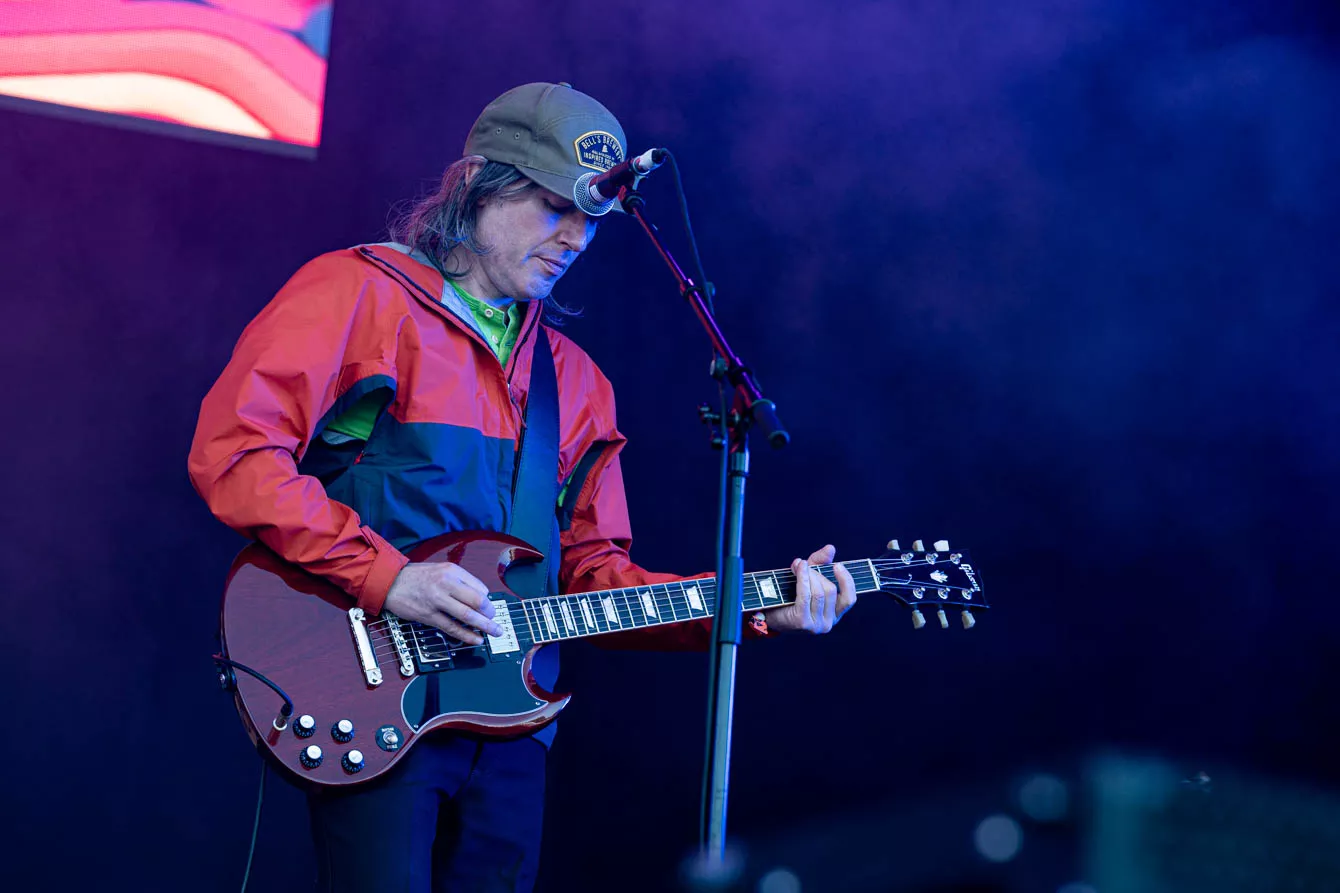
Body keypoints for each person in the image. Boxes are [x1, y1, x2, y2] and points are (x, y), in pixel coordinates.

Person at [188, 82, 856, 892]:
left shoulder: (578, 383)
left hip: (512, 731)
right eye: (553, 207)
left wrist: (758, 610)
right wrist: (389, 576)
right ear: (478, 184)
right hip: (370, 696)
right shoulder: (356, 294)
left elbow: (597, 579)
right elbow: (236, 455)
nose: (575, 237)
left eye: (591, 221)